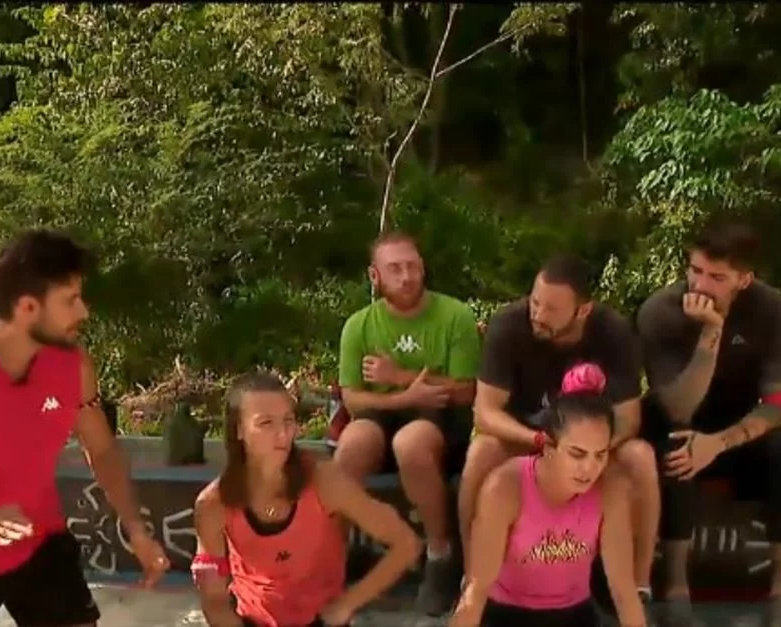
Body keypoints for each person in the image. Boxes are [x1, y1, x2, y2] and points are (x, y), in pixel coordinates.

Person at [0, 229, 169, 627]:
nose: (84, 312)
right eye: (70, 300)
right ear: (27, 306)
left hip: (40, 540)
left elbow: (102, 450)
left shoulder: (74, 366)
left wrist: (136, 528)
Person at [461, 254, 659, 603]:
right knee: (481, 452)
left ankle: (638, 585)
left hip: (590, 445)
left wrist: (590, 452)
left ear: (583, 311)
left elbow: (629, 418)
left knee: (640, 457)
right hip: (527, 437)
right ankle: (471, 577)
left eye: (551, 309)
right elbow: (485, 412)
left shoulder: (613, 332)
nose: (538, 314)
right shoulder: (508, 325)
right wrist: (540, 440)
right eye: (535, 302)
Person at [637, 223, 781, 627]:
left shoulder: (770, 308)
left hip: (738, 425)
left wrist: (721, 442)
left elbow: (780, 403)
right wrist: (711, 331)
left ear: (744, 279)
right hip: (677, 420)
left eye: (717, 277)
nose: (700, 285)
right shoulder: (661, 310)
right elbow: (679, 406)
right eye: (695, 270)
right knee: (678, 446)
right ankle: (676, 589)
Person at [192, 371, 423, 627]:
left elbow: (406, 543)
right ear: (238, 430)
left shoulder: (325, 481)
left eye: (288, 420)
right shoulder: (214, 504)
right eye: (266, 423)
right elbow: (214, 599)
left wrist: (348, 603)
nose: (282, 433)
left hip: (320, 621)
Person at [332, 230, 482, 616]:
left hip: (439, 418)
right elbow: (353, 398)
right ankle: (331, 556)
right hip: (383, 412)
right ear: (375, 275)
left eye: (412, 266)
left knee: (410, 443)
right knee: (352, 444)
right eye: (395, 269)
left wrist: (399, 376)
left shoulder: (455, 316)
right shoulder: (359, 326)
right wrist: (405, 396)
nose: (406, 277)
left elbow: (466, 391)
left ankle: (440, 554)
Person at [450, 363, 646, 627]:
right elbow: (476, 591)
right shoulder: (505, 489)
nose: (589, 468)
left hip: (573, 613)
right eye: (577, 454)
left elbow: (623, 590)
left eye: (600, 455)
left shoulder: (609, 490)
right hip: (506, 614)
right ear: (548, 445)